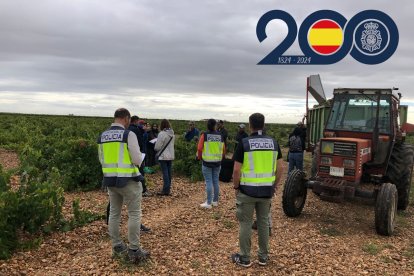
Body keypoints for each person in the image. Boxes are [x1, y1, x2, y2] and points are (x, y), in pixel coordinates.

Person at [97, 108, 149, 263]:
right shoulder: (128, 134)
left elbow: (101, 159)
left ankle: (117, 245)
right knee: (134, 213)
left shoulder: (102, 136)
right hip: (129, 180)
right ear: (126, 118)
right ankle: (134, 249)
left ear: (115, 118)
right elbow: (136, 159)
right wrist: (140, 158)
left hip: (110, 180)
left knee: (114, 213)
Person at [231, 113, 283, 267]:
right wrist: (274, 185)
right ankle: (263, 257)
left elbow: (236, 170)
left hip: (247, 191)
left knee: (245, 223)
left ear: (250, 125)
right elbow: (280, 167)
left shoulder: (244, 143)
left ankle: (245, 258)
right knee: (263, 223)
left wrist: (236, 186)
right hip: (266, 191)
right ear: (264, 124)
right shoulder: (274, 143)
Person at [197, 119, 226, 209]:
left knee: (208, 182)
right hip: (217, 162)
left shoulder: (204, 135)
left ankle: (208, 203)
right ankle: (215, 201)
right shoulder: (220, 136)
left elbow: (199, 148)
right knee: (216, 181)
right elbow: (224, 150)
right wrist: (221, 158)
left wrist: (200, 157)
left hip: (207, 162)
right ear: (215, 126)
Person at [155, 119, 175, 196]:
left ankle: (165, 190)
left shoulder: (162, 134)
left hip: (163, 156)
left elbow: (157, 147)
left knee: (165, 173)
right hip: (170, 155)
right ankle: (168, 189)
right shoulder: (172, 134)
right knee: (169, 173)